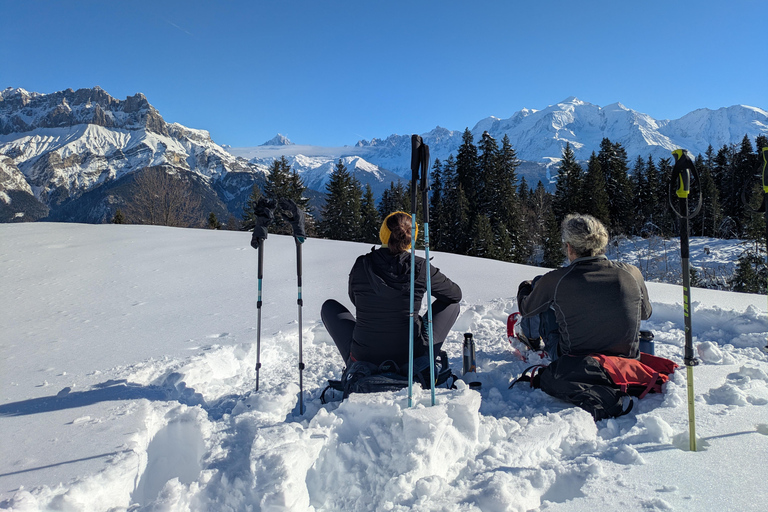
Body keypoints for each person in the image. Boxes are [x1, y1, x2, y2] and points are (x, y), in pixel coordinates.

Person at [321, 211, 462, 369]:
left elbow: (355, 299)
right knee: (452, 304)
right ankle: (425, 357)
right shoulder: (420, 267)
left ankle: (357, 365)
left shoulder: (362, 264)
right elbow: (455, 295)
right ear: (411, 239)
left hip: (364, 356)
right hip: (411, 357)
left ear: (383, 234)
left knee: (329, 307)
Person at [517, 213, 652, 360]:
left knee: (539, 285)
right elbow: (645, 313)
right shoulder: (632, 273)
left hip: (572, 360)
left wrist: (525, 286)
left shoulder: (555, 280)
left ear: (569, 247)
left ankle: (531, 338)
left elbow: (526, 309)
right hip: (626, 361)